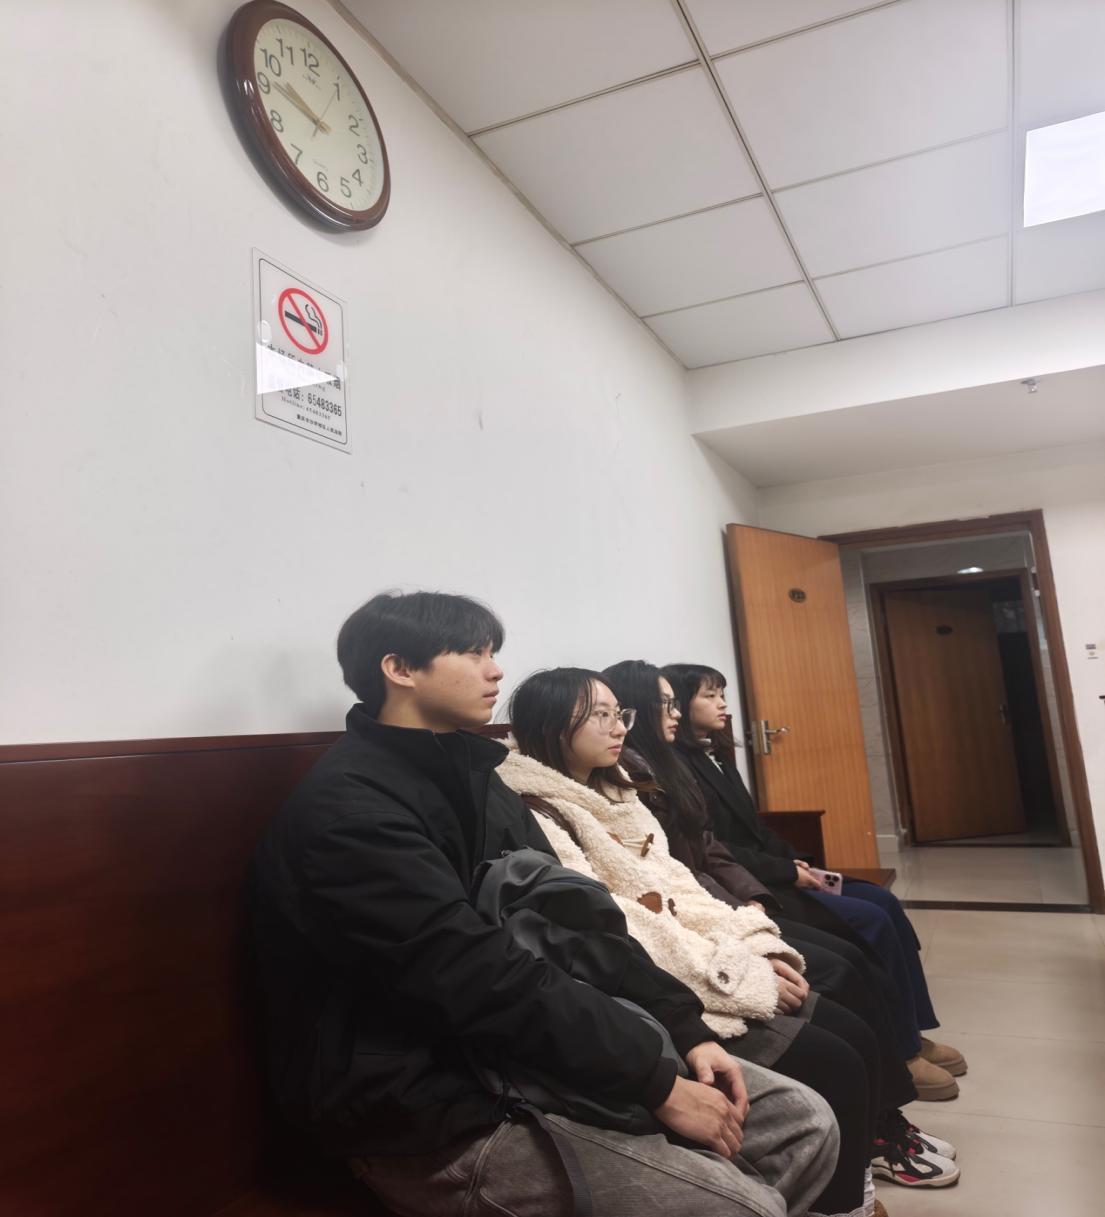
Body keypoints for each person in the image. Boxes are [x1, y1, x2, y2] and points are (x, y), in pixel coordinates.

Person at [251, 591, 839, 1217]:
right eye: (473, 653)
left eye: (493, 652)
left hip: (519, 1050)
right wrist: (652, 1079)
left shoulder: (479, 776)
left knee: (804, 1123)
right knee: (744, 1206)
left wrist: (684, 1027)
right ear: (399, 668)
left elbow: (579, 917)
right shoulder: (350, 808)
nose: (495, 670)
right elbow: (472, 974)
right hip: (423, 1102)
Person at [503, 666, 910, 1217]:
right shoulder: (537, 807)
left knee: (852, 1024)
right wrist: (736, 973)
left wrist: (752, 944)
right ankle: (844, 1202)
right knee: (836, 1058)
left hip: (707, 959)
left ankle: (864, 1176)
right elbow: (624, 924)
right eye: (599, 715)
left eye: (620, 713)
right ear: (551, 724)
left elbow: (680, 884)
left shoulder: (616, 785)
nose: (619, 727)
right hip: (662, 983)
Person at [602, 660, 962, 1190]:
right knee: (842, 966)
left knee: (868, 928)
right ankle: (884, 1121)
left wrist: (761, 892)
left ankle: (899, 1078)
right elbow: (673, 882)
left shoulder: (671, 765)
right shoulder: (627, 781)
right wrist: (750, 909)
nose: (675, 713)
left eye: (674, 703)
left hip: (734, 900)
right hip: (710, 923)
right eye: (668, 703)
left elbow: (713, 849)